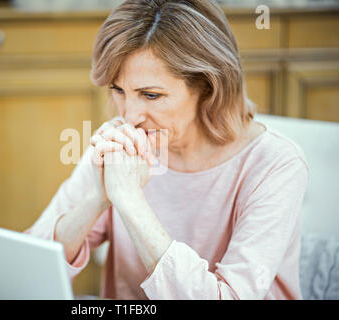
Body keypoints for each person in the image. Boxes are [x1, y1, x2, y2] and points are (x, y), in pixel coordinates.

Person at [24, 0, 309, 300]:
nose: (130, 115)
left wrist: (131, 202)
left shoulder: (276, 164)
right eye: (118, 90)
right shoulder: (122, 140)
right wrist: (97, 199)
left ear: (208, 88)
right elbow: (30, 261)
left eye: (151, 94)